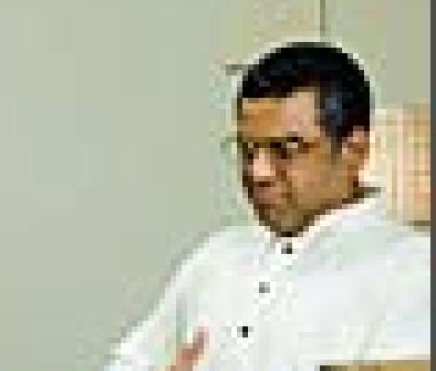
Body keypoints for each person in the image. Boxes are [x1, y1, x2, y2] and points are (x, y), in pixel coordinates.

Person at [106, 42, 430, 370]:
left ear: (353, 150)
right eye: (247, 150)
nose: (258, 172)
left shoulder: (413, 268)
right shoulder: (219, 256)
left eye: (286, 149)